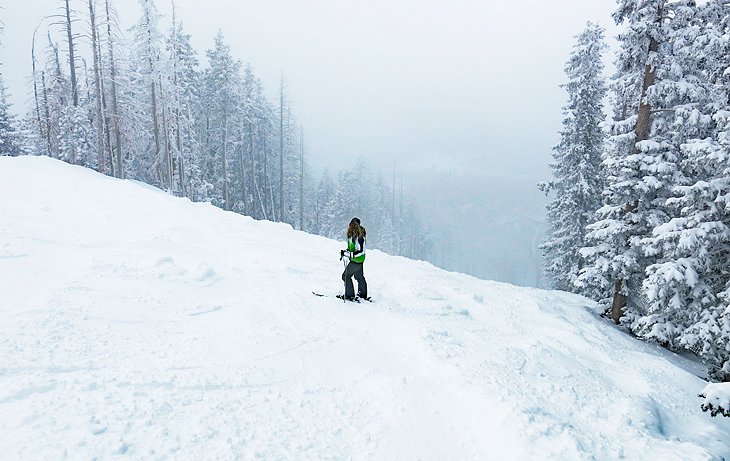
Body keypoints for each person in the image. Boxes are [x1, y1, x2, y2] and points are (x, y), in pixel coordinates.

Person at [340, 217, 367, 300]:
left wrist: (350, 255)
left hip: (357, 260)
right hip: (358, 259)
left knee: (345, 276)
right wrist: (345, 252)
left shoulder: (359, 236)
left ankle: (349, 295)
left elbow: (361, 250)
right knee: (359, 276)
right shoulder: (352, 235)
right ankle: (362, 295)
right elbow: (352, 249)